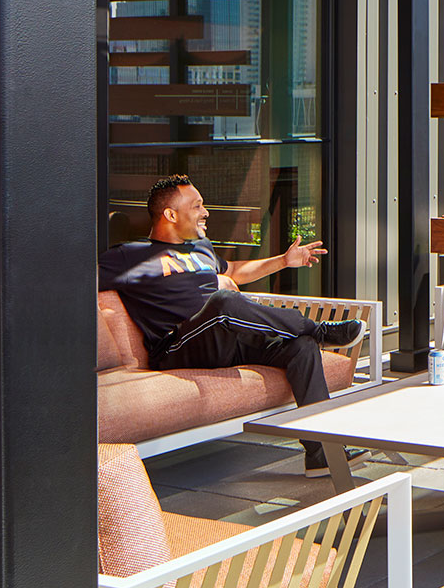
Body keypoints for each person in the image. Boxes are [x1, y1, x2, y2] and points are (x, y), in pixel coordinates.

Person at [99, 175, 367, 477]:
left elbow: (235, 271)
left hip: (225, 335)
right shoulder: (127, 256)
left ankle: (320, 454)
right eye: (197, 205)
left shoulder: (201, 248)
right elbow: (74, 282)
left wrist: (283, 261)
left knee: (300, 349)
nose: (206, 212)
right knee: (223, 302)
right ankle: (318, 331)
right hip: (177, 347)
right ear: (171, 215)